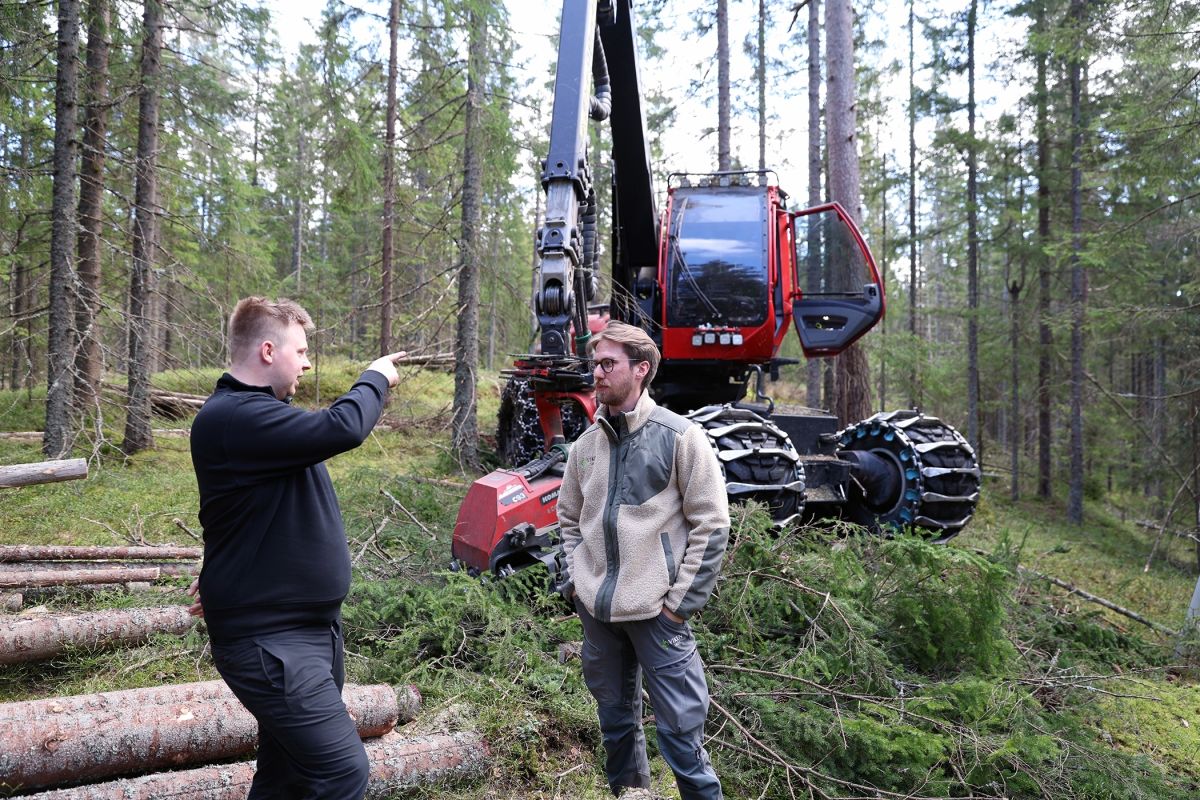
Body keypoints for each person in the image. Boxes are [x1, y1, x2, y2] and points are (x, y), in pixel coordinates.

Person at [187, 296, 404, 800]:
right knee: (341, 771)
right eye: (302, 351)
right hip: (272, 641)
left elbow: (244, 512)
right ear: (268, 351)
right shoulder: (233, 417)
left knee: (287, 778)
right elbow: (344, 426)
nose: (307, 364)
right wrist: (375, 377)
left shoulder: (259, 418)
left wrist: (224, 569)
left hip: (306, 631)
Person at [557, 320, 730, 800]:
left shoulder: (679, 437)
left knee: (682, 737)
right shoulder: (585, 447)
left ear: (641, 369)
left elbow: (712, 524)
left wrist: (678, 605)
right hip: (599, 613)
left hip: (658, 613)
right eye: (595, 363)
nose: (597, 373)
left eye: (607, 364)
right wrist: (579, 583)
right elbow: (568, 518)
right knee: (616, 730)